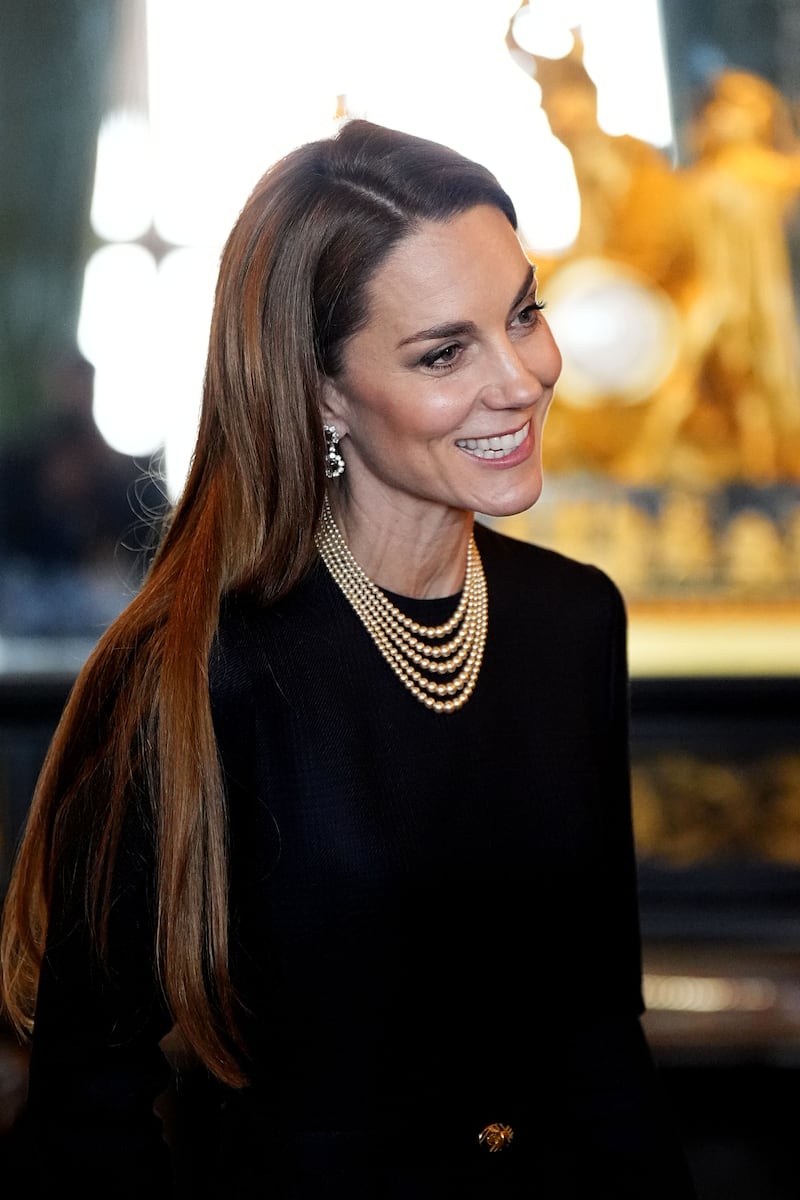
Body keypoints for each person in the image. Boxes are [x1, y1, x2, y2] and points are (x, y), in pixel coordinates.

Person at [0, 118, 696, 1197]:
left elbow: (600, 1043)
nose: (520, 380)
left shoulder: (572, 621)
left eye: (523, 315)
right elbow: (88, 1115)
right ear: (321, 388)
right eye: (442, 351)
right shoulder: (192, 670)